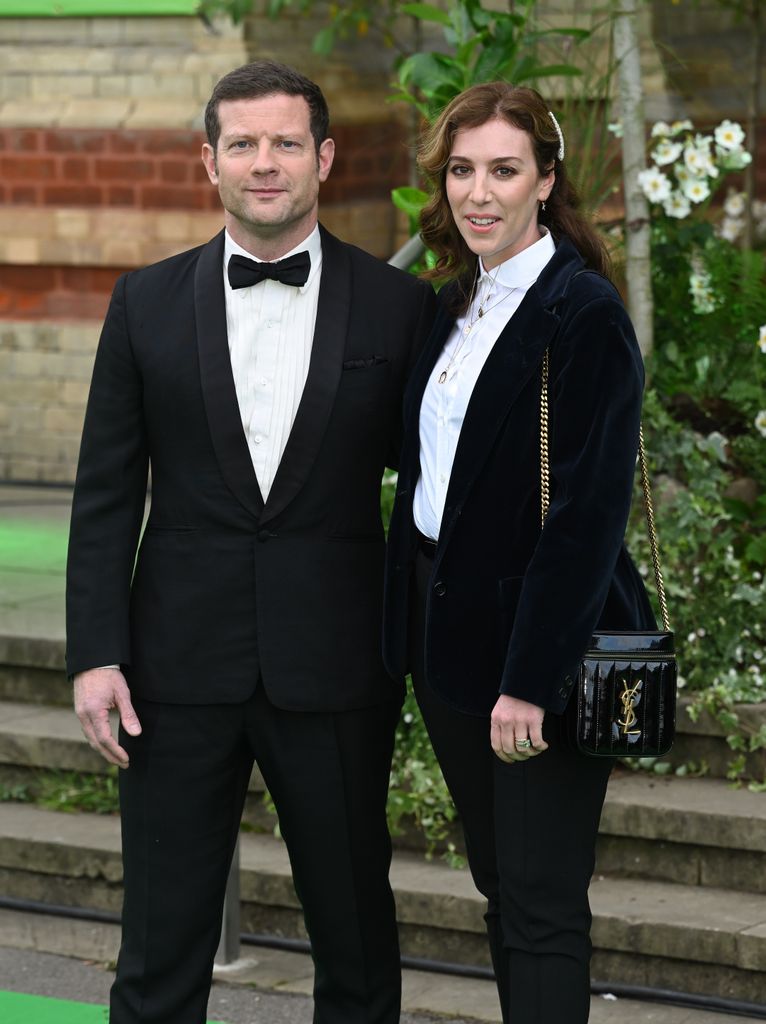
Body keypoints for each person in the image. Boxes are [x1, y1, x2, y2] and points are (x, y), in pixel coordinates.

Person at [66, 59, 435, 1024]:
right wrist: (96, 653)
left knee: (356, 944)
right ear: (210, 161)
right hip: (174, 673)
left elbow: (440, 491)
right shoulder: (141, 302)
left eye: (283, 144)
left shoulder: (401, 310)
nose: (262, 164)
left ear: (322, 157)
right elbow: (106, 493)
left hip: (340, 670)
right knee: (157, 947)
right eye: (242, 144)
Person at [383, 82, 656, 1024]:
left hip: (538, 656)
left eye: (504, 169)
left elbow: (585, 521)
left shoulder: (581, 314)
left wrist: (531, 679)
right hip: (445, 639)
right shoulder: (455, 302)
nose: (479, 192)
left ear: (547, 179)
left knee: (541, 904)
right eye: (462, 170)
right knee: (502, 885)